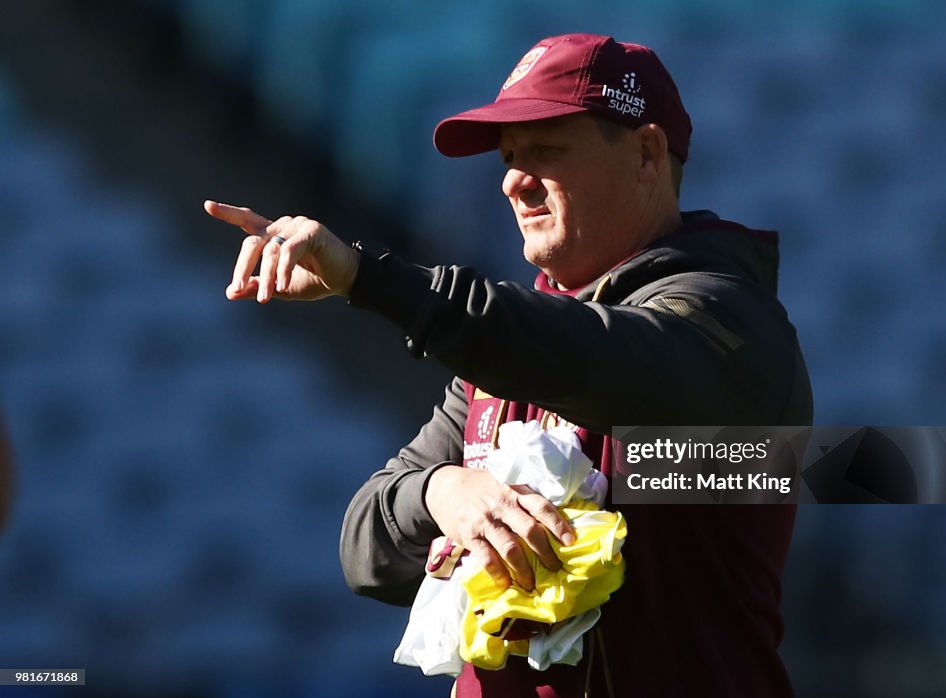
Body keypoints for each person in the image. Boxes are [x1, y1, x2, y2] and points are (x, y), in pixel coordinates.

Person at [207, 33, 812, 698]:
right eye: (508, 157)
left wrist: (367, 277)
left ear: (645, 155)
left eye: (545, 151)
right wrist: (446, 493)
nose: (512, 180)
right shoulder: (510, 356)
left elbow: (600, 361)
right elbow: (364, 547)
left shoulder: (728, 323)